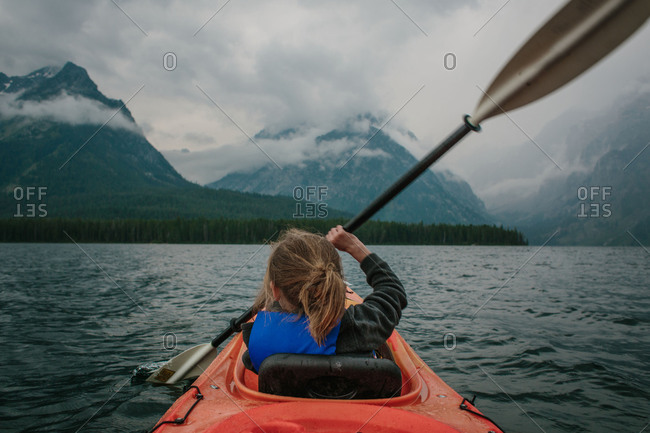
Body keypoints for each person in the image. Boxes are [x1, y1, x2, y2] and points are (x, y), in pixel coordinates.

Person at [241, 225, 407, 373]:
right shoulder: (357, 327)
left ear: (275, 290)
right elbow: (393, 291)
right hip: (355, 405)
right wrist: (355, 248)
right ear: (333, 281)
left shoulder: (254, 338)